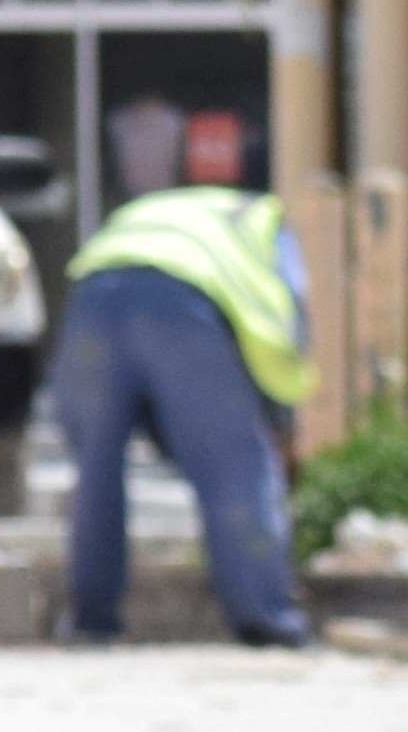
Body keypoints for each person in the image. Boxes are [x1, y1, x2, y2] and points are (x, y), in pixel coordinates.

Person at [53, 181, 314, 649]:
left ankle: (91, 622)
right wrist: (279, 417)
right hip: (182, 307)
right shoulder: (268, 220)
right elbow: (285, 314)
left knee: (94, 472)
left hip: (92, 297)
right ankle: (266, 619)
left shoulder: (150, 210)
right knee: (237, 468)